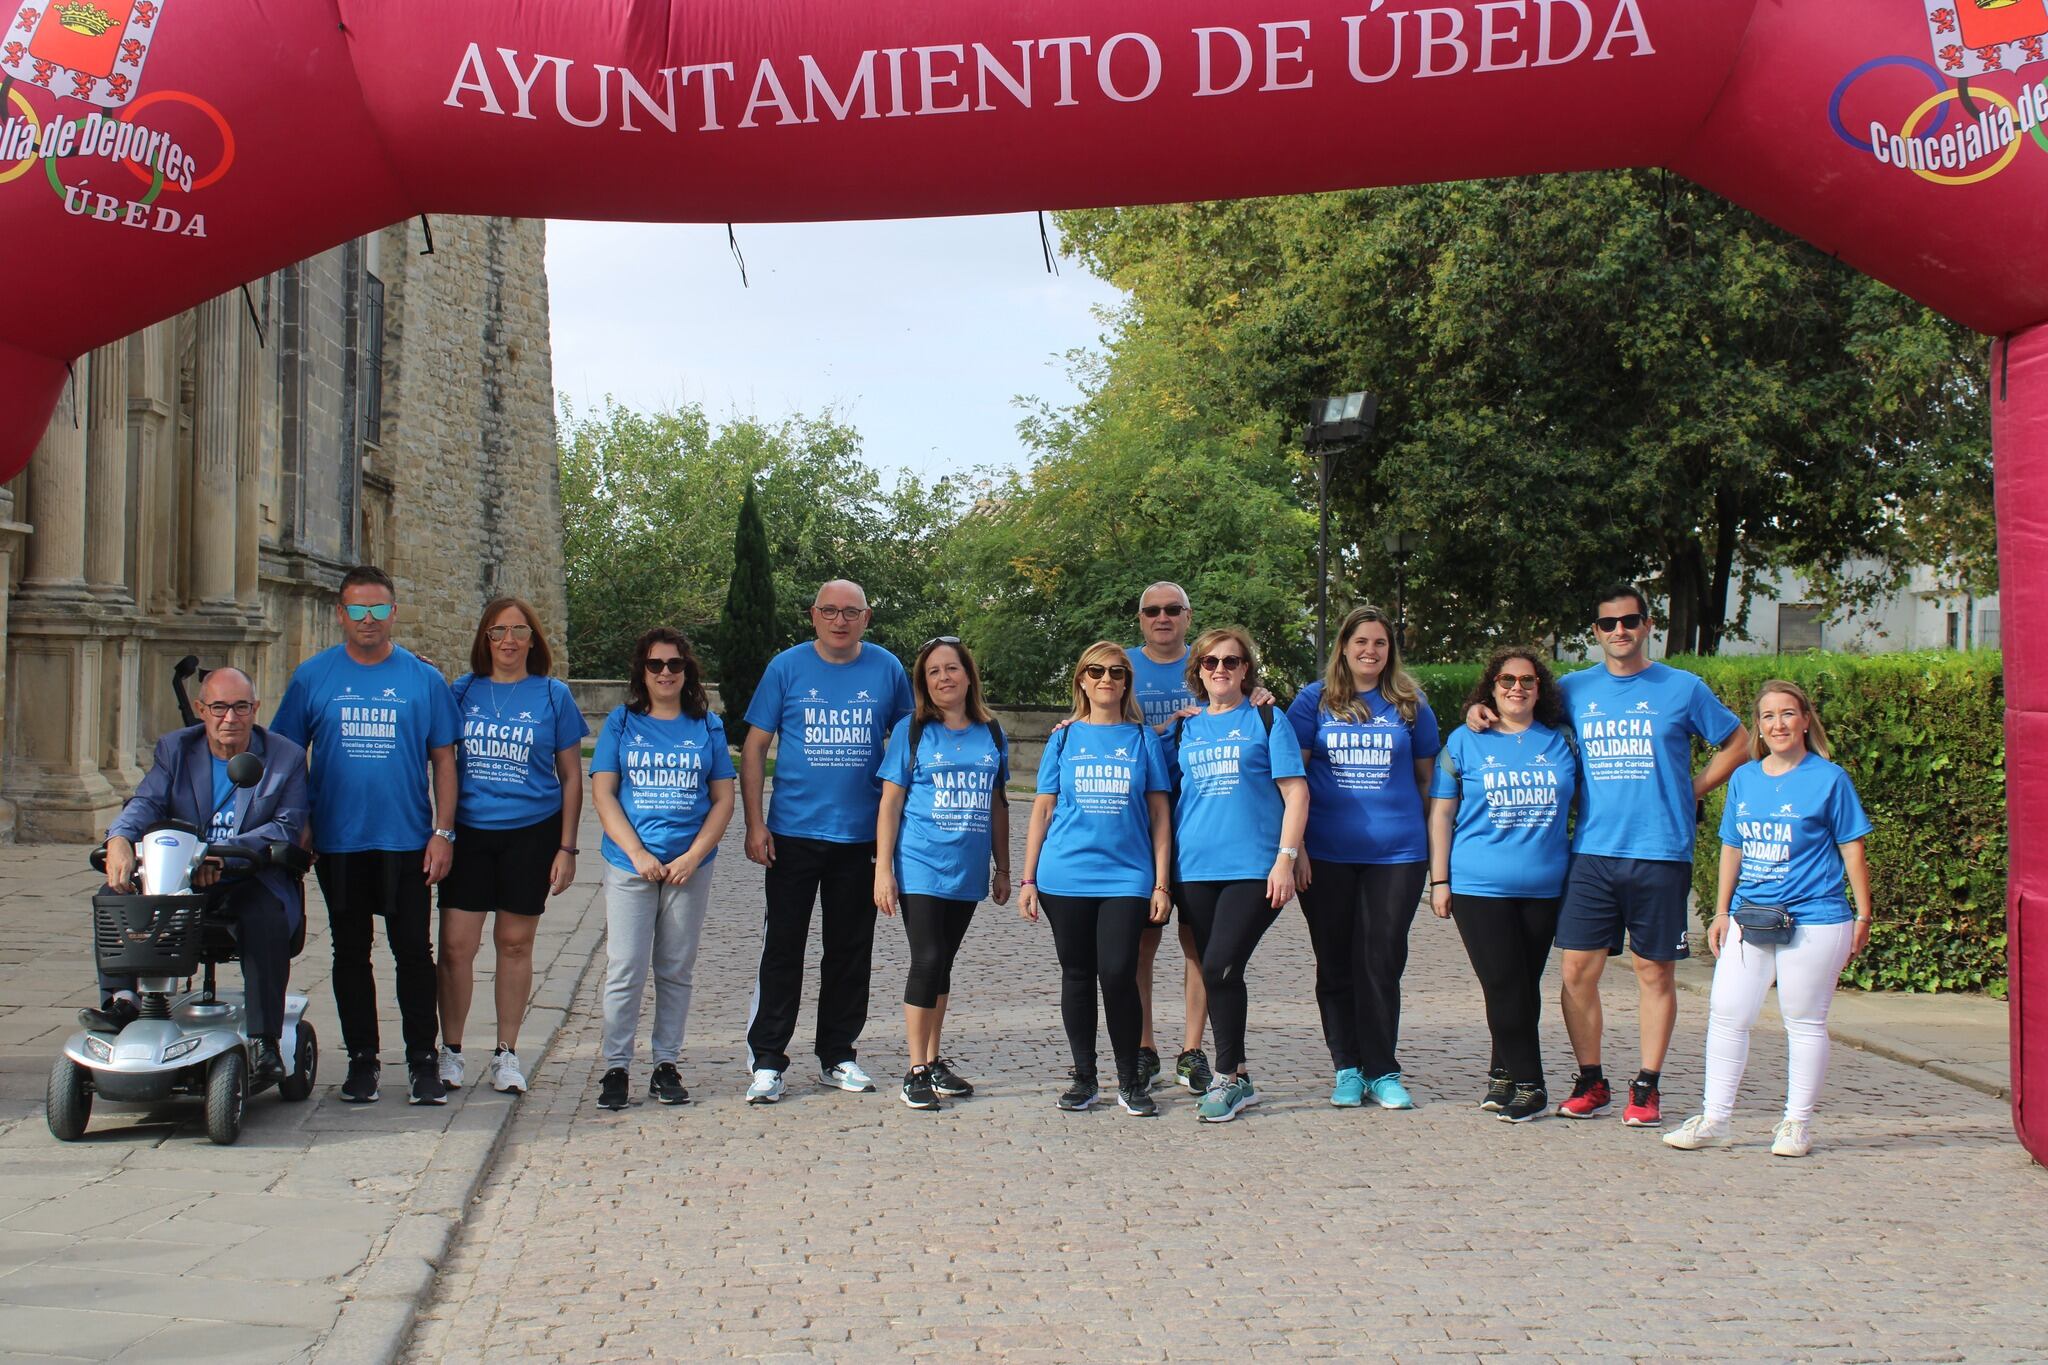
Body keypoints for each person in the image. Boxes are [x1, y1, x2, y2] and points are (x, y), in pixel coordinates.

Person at [1466, 584, 1748, 1127]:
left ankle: (1647, 1085)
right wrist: (1477, 708)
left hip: (1660, 851)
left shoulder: (1683, 688)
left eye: (1630, 620)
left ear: (1647, 625)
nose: (1620, 630)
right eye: (1608, 623)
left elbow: (1737, 743)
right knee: (1576, 971)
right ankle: (1590, 1079)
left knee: (1653, 970)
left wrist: (1690, 789)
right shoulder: (1573, 689)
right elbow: (1518, 707)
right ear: (1595, 632)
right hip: (1591, 852)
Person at [271, 564, 461, 1106]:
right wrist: (300, 820)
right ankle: (362, 1062)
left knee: (413, 954)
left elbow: (444, 760)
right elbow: (286, 757)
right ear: (341, 614)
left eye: (379, 609)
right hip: (339, 841)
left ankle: (423, 1063)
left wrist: (443, 832)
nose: (369, 619)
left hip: (405, 841)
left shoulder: (423, 679)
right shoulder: (314, 676)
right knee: (350, 953)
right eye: (358, 609)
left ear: (393, 612)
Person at [1665, 681, 1873, 1158]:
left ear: (1805, 720)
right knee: (1727, 1015)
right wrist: (1721, 910)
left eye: (1787, 714)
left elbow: (1851, 847)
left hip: (1815, 917)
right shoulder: (1745, 778)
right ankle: (1715, 1117)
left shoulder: (1829, 779)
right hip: (1750, 917)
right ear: (1758, 726)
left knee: (1803, 1020)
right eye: (1767, 716)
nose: (1778, 724)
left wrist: (1862, 913)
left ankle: (1796, 1124)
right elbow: (1732, 846)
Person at [740, 580, 913, 1103]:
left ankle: (837, 1054)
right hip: (792, 833)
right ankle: (768, 1061)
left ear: (867, 616)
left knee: (849, 952)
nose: (840, 621)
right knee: (783, 950)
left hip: (859, 837)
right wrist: (754, 822)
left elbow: (912, 743)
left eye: (851, 612)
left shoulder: (887, 669)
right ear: (814, 616)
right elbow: (753, 748)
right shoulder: (786, 667)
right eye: (830, 611)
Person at [94, 668, 309, 1083]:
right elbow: (148, 801)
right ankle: (122, 1000)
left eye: (241, 707)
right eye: (220, 708)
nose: (231, 718)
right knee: (115, 893)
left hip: (248, 877)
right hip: (179, 877)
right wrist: (119, 837)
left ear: (255, 709)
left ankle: (264, 1038)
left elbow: (285, 825)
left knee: (262, 916)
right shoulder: (176, 749)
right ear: (201, 709)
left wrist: (225, 859)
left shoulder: (284, 757)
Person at [1287, 605, 1441, 1110]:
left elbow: (1427, 783)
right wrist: (1297, 850)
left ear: (1389, 650)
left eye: (1379, 643)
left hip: (1397, 854)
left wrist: (1436, 856)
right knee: (1334, 963)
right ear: (1344, 648)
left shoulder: (1411, 704)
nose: (1370, 651)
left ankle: (1383, 1069)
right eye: (1361, 642)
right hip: (1326, 854)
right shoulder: (1313, 702)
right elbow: (1292, 784)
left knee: (1381, 959)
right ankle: (1347, 1067)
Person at [436, 598, 589, 1096]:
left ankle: (506, 1053)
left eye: (518, 630)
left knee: (515, 943)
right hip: (471, 834)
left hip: (531, 833)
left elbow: (571, 776)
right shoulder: (461, 692)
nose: (508, 640)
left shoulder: (552, 695)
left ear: (532, 639)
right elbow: (438, 761)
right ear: (485, 638)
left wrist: (567, 848)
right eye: (498, 631)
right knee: (457, 946)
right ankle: (452, 1051)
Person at [1017, 641, 1174, 1116]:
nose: (1107, 679)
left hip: (1127, 876)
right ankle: (1084, 1076)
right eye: (1096, 671)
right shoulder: (1063, 738)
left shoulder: (1143, 739)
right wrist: (1027, 880)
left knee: (1119, 973)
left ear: (1127, 682)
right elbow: (1042, 809)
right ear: (1082, 680)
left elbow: (1160, 815)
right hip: (1064, 876)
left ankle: (1131, 1078)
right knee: (1078, 975)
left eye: (1117, 672)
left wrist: (1161, 883)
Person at [1428, 649, 1578, 1123]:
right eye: (1507, 679)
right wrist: (1439, 879)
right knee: (1502, 982)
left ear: (1541, 688)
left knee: (1522, 987)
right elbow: (1442, 813)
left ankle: (1502, 1074)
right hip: (1479, 885)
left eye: (1527, 680)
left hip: (1545, 886)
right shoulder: (1464, 741)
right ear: (1491, 687)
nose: (1517, 687)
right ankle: (1531, 1083)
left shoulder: (1563, 741)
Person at [589, 628, 736, 1111]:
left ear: (687, 670)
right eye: (656, 665)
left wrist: (693, 856)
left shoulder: (706, 726)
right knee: (625, 967)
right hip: (632, 863)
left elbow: (722, 798)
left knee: (675, 969)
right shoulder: (622, 722)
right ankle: (616, 1066)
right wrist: (636, 853)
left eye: (675, 664)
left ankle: (665, 1064)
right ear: (642, 671)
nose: (666, 673)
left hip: (687, 866)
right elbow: (605, 792)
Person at [1169, 628, 1308, 1123]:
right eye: (1210, 662)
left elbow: (1296, 793)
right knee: (1219, 970)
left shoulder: (1268, 718)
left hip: (1254, 869)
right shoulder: (1184, 728)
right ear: (1198, 671)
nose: (1221, 669)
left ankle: (1228, 1077)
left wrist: (1287, 858)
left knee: (1221, 965)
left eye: (1232, 661)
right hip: (1194, 869)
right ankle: (1239, 1073)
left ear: (1246, 668)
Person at [874, 636, 1011, 1110]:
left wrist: (1003, 867)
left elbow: (997, 803)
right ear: (923, 683)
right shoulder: (911, 730)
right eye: (933, 672)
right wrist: (883, 870)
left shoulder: (991, 732)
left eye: (951, 669)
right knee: (927, 958)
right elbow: (890, 803)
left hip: (967, 869)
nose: (943, 678)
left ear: (968, 675)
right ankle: (914, 1068)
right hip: (919, 864)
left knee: (944, 963)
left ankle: (933, 1061)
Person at [1123, 582, 1211, 1095]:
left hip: (1199, 819)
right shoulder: (1124, 666)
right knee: (1140, 944)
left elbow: (1244, 704)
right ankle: (1144, 1045)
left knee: (1197, 944)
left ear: (1187, 615)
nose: (1162, 618)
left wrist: (1262, 694)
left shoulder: (1209, 663)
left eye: (1172, 609)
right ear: (1140, 619)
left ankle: (1192, 1049)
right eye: (1152, 611)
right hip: (1136, 822)